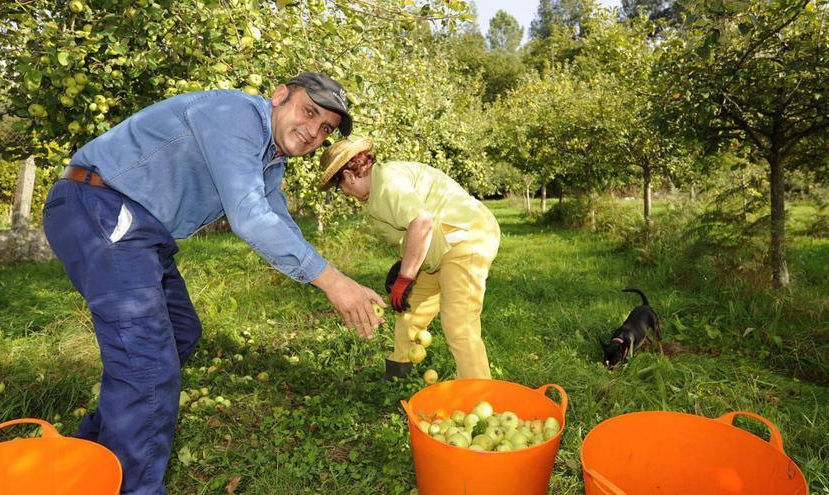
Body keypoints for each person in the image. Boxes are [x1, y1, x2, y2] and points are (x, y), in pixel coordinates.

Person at [41, 73, 384, 495]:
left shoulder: (269, 159)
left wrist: (336, 281)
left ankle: (90, 455)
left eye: (327, 127)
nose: (314, 131)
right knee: (147, 362)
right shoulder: (235, 115)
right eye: (309, 111)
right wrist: (334, 283)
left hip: (139, 228)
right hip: (101, 204)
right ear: (280, 96)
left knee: (180, 333)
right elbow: (250, 216)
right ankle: (134, 486)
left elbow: (278, 222)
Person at [318, 137, 501, 381]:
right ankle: (398, 371)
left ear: (350, 176)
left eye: (341, 188)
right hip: (438, 247)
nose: (346, 194)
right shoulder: (380, 187)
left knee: (459, 324)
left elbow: (421, 222)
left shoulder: (387, 184)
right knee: (410, 310)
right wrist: (403, 264)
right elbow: (412, 229)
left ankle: (479, 394)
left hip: (466, 237)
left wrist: (406, 276)